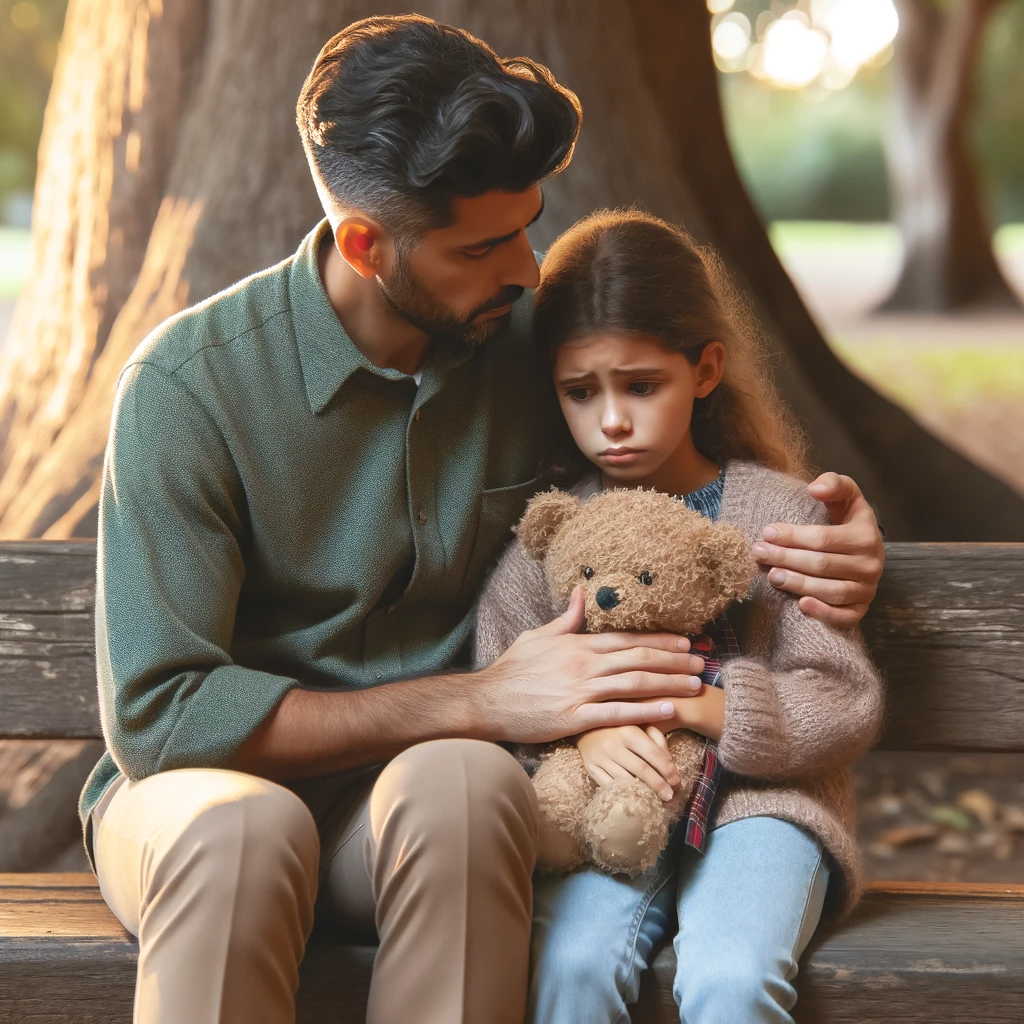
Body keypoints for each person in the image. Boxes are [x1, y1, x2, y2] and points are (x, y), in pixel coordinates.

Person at [81, 16, 885, 1024]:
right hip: (201, 803)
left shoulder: (530, 354)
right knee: (244, 836)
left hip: (415, 812)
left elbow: (679, 490)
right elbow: (166, 718)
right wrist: (477, 701)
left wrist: (831, 539)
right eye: (483, 244)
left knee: (465, 791)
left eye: (528, 223)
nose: (524, 267)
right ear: (366, 245)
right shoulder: (188, 386)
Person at [474, 209, 885, 1024]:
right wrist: (582, 734)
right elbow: (501, 670)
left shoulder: (778, 514)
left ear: (705, 371)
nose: (612, 420)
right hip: (614, 811)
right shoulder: (560, 533)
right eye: (580, 392)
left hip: (765, 809)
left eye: (641, 385)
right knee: (569, 965)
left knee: (732, 977)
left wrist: (708, 707)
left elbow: (840, 695)